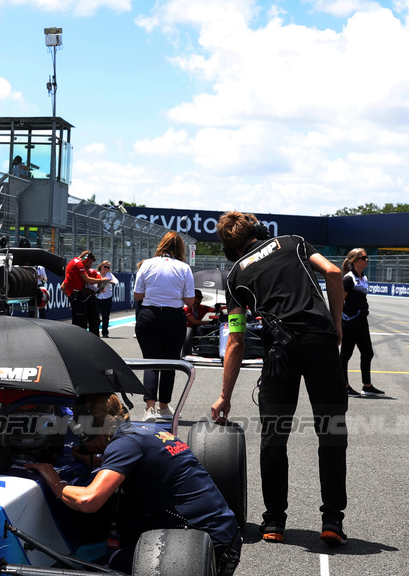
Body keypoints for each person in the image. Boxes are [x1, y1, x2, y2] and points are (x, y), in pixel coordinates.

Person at [210, 211, 348, 546]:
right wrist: (336, 325)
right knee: (331, 432)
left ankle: (274, 522)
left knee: (274, 439)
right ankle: (332, 520)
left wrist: (225, 396)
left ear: (230, 249)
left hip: (279, 354)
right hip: (320, 344)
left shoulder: (235, 277)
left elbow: (236, 340)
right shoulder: (293, 242)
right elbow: (332, 271)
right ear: (258, 230)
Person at [25, 393, 240, 576]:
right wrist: (99, 461)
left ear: (86, 431)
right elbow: (142, 464)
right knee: (124, 525)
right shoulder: (145, 431)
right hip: (224, 534)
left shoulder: (124, 445)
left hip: (206, 546)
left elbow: (88, 501)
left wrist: (54, 480)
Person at [133, 232, 195, 421]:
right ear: (180, 248)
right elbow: (190, 301)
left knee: (151, 362)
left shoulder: (147, 264)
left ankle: (149, 409)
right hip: (173, 318)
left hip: (149, 316)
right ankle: (164, 407)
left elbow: (138, 295)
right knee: (170, 363)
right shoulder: (184, 268)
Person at [339, 249, 383, 398]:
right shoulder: (348, 279)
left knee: (368, 352)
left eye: (366, 257)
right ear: (355, 261)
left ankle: (367, 386)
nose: (366, 260)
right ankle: (343, 385)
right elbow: (340, 301)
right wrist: (339, 321)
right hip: (350, 321)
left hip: (361, 321)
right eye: (363, 258)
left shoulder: (363, 277)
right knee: (345, 355)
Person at [63, 250, 102, 335]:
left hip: (87, 298)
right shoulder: (77, 265)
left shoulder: (89, 271)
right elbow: (63, 286)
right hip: (80, 299)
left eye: (91, 263)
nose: (90, 265)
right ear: (85, 259)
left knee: (94, 321)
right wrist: (72, 297)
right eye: (89, 262)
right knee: (81, 324)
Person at [93, 259, 116, 337]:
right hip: (97, 296)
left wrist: (110, 281)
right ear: (101, 266)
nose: (106, 269)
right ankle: (95, 331)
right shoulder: (96, 274)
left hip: (107, 296)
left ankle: (105, 332)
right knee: (96, 315)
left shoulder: (109, 275)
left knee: (106, 315)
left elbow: (116, 281)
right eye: (105, 267)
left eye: (108, 267)